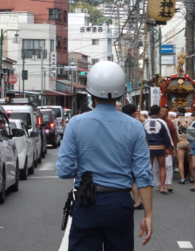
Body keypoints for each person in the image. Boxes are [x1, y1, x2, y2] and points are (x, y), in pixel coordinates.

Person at [56, 61, 153, 250]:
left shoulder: (76, 123)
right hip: (120, 203)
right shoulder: (134, 126)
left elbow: (64, 170)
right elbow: (143, 174)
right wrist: (148, 215)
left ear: (91, 92)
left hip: (87, 201)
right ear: (121, 92)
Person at [143, 105, 172, 193]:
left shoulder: (145, 122)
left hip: (149, 147)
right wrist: (168, 147)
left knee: (148, 167)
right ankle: (162, 186)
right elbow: (166, 136)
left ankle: (147, 185)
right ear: (159, 112)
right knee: (162, 167)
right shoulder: (162, 122)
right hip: (159, 146)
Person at [122, 104, 144, 209]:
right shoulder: (136, 124)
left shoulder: (118, 123)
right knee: (134, 179)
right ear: (133, 113)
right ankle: (136, 202)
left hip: (120, 153)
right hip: (133, 153)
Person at [152, 106, 178, 192]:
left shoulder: (169, 123)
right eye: (162, 111)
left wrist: (174, 148)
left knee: (168, 165)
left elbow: (173, 136)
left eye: (165, 112)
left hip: (167, 147)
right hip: (156, 147)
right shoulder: (153, 121)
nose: (164, 113)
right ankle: (159, 184)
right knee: (156, 167)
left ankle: (169, 183)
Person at [172, 106, 193, 184]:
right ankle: (191, 177)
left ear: (177, 113)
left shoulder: (174, 121)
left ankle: (182, 178)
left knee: (181, 162)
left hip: (180, 142)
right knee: (190, 161)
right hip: (188, 142)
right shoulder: (190, 120)